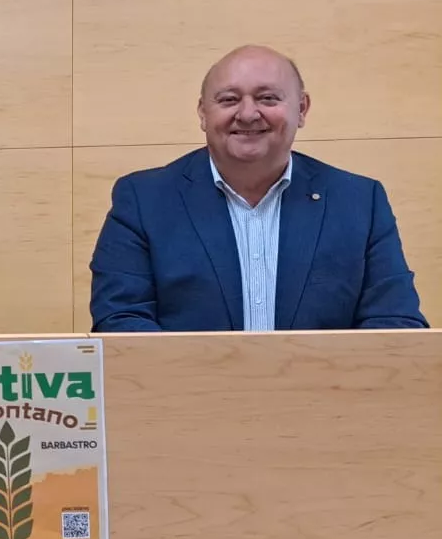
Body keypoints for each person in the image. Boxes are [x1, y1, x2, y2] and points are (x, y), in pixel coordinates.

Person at [90, 44, 427, 331]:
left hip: (326, 389)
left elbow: (395, 325)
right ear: (203, 113)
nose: (248, 114)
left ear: (301, 109)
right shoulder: (144, 201)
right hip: (185, 389)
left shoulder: (359, 203)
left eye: (267, 98)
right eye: (229, 99)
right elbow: (121, 322)